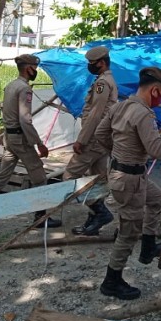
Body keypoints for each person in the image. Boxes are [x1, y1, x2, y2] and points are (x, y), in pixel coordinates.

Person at [95, 66, 161, 300]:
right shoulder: (143, 114)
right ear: (154, 90)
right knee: (129, 231)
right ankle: (112, 280)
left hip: (130, 174)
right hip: (129, 179)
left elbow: (101, 134)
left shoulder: (120, 106)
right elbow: (157, 149)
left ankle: (148, 245)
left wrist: (119, 153)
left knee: (159, 200)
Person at [0, 54, 61, 229]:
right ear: (28, 68)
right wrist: (39, 143)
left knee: (2, 177)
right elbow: (25, 120)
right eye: (34, 68)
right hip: (21, 139)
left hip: (10, 137)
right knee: (39, 178)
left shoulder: (11, 86)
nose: (35, 71)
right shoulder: (24, 89)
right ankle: (41, 218)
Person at [63, 46, 117, 236]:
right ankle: (95, 219)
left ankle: (100, 213)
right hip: (101, 138)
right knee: (98, 179)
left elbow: (95, 114)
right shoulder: (104, 81)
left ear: (101, 63)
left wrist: (81, 140)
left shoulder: (103, 83)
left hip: (93, 139)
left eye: (92, 64)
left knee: (69, 177)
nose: (90, 67)